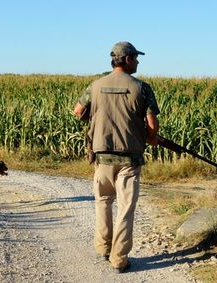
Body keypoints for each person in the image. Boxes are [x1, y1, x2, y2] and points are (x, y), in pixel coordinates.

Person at [73, 41, 160, 273]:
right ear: (128, 59)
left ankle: (103, 248)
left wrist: (97, 117)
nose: (138, 62)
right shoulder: (142, 88)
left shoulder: (96, 85)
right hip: (129, 159)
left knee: (103, 202)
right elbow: (152, 122)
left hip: (101, 156)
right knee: (125, 208)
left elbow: (78, 111)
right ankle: (119, 259)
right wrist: (152, 138)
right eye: (136, 58)